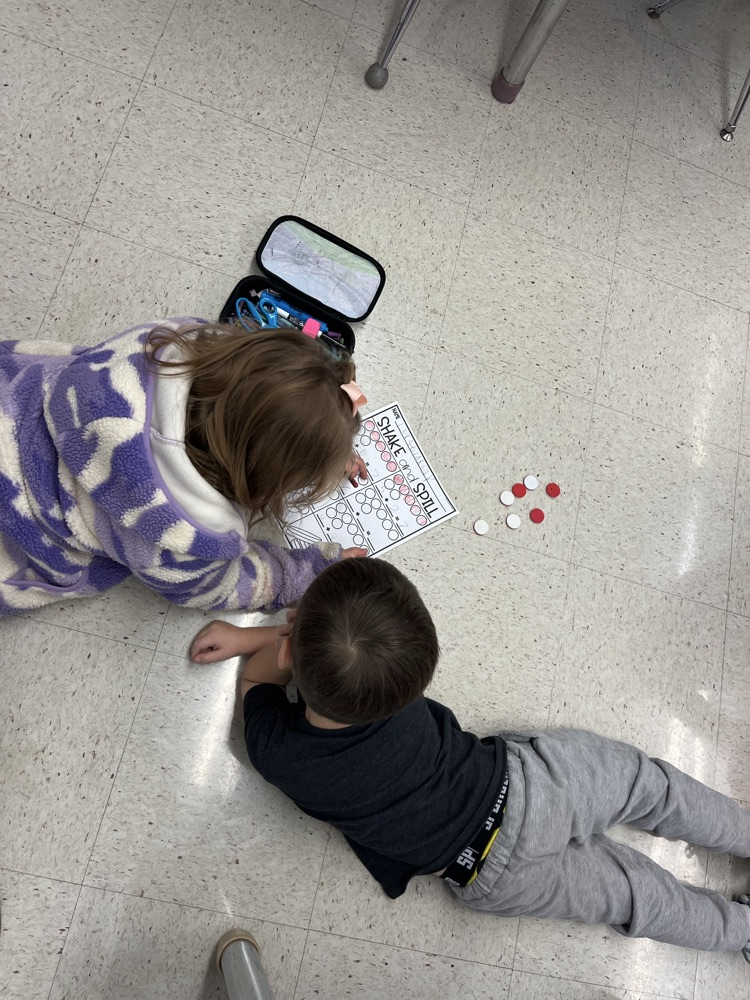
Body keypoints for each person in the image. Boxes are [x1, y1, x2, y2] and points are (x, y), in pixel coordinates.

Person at [191, 558, 750, 960]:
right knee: (650, 789)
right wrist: (296, 629)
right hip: (533, 786)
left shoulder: (280, 754)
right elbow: (341, 632)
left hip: (487, 872)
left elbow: (261, 679)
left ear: (290, 650)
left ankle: (741, 932)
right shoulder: (398, 685)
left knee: (634, 896)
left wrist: (257, 639)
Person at [0, 320, 367, 615]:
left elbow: (268, 400)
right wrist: (308, 571)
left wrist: (326, 447)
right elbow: (223, 587)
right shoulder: (174, 531)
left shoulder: (168, 345)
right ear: (264, 479)